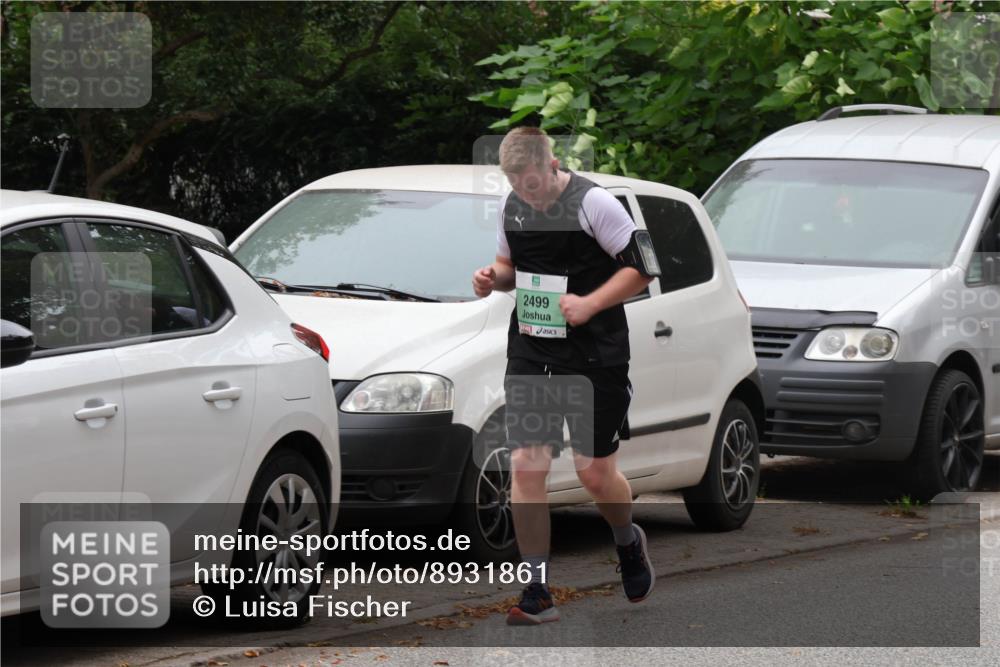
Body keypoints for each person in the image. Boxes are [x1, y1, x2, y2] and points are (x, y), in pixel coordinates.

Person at [471, 127, 661, 626]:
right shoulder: (511, 205)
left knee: (593, 473)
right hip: (532, 349)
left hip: (595, 355)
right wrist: (492, 279)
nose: (527, 196)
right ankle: (537, 590)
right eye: (517, 185)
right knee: (526, 466)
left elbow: (643, 268)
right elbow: (509, 266)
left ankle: (627, 541)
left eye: (533, 184)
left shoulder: (594, 204)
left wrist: (591, 303)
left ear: (552, 165)